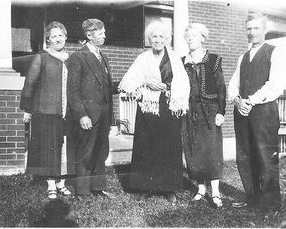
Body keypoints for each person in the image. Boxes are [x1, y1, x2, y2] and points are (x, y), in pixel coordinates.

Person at [118, 21, 190, 203]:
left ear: (167, 39)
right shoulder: (142, 58)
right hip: (147, 107)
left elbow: (183, 83)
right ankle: (145, 185)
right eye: (154, 36)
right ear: (149, 39)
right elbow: (128, 81)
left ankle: (168, 188)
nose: (157, 40)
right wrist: (146, 82)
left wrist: (170, 87)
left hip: (168, 107)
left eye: (161, 36)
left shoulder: (174, 58)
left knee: (168, 146)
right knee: (147, 145)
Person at [228, 12, 286, 216]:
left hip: (263, 113)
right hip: (242, 113)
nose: (252, 32)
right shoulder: (242, 57)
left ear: (265, 30)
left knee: (265, 158)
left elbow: (275, 86)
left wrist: (250, 101)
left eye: (256, 28)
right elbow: (232, 85)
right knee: (244, 157)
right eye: (249, 29)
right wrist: (237, 101)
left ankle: (271, 204)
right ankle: (252, 198)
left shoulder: (274, 52)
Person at [21, 21, 74, 199]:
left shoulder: (72, 59)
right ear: (48, 40)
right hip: (46, 111)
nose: (57, 39)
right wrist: (27, 109)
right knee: (49, 147)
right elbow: (29, 84)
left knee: (65, 148)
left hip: (68, 112)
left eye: (60, 35)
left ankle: (62, 183)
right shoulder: (41, 57)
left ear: (65, 37)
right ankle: (51, 184)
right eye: (54, 36)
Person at [67, 18, 119, 198]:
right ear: (89, 35)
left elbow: (106, 85)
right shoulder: (78, 57)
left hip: (104, 114)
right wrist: (81, 115)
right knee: (85, 151)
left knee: (101, 150)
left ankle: (98, 187)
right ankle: (82, 191)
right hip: (89, 115)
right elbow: (72, 91)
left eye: (104, 31)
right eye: (101, 32)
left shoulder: (103, 56)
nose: (105, 35)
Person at [181, 23, 226, 208]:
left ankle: (215, 192)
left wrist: (221, 112)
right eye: (188, 36)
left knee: (212, 150)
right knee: (193, 149)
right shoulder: (182, 61)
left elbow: (221, 87)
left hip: (210, 111)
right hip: (189, 112)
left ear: (202, 38)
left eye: (194, 36)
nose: (190, 39)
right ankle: (201, 189)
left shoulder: (213, 60)